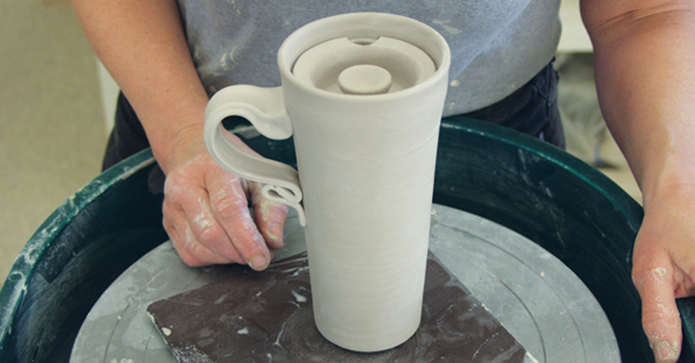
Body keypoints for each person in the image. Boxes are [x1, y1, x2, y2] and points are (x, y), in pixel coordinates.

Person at [71, 1, 695, 362]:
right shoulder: (203, 127)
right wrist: (184, 133)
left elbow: (646, 10)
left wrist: (677, 180)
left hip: (495, 124)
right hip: (209, 118)